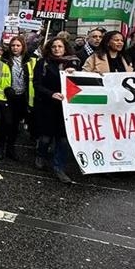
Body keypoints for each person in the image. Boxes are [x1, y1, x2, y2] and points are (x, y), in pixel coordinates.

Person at [33, 38, 80, 183]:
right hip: (48, 106)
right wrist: (51, 94)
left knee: (63, 139)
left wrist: (75, 74)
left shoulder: (74, 63)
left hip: (66, 108)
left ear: (65, 48)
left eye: (60, 46)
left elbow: (83, 83)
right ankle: (40, 154)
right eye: (54, 46)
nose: (57, 49)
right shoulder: (43, 63)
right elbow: (37, 84)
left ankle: (59, 167)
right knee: (46, 137)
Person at [0, 36, 36, 160]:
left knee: (15, 126)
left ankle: (11, 149)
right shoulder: (1, 59)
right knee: (6, 123)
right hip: (5, 97)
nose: (15, 48)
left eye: (18, 45)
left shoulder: (31, 60)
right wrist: (6, 89)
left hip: (22, 97)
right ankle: (0, 147)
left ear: (23, 47)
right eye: (13, 45)